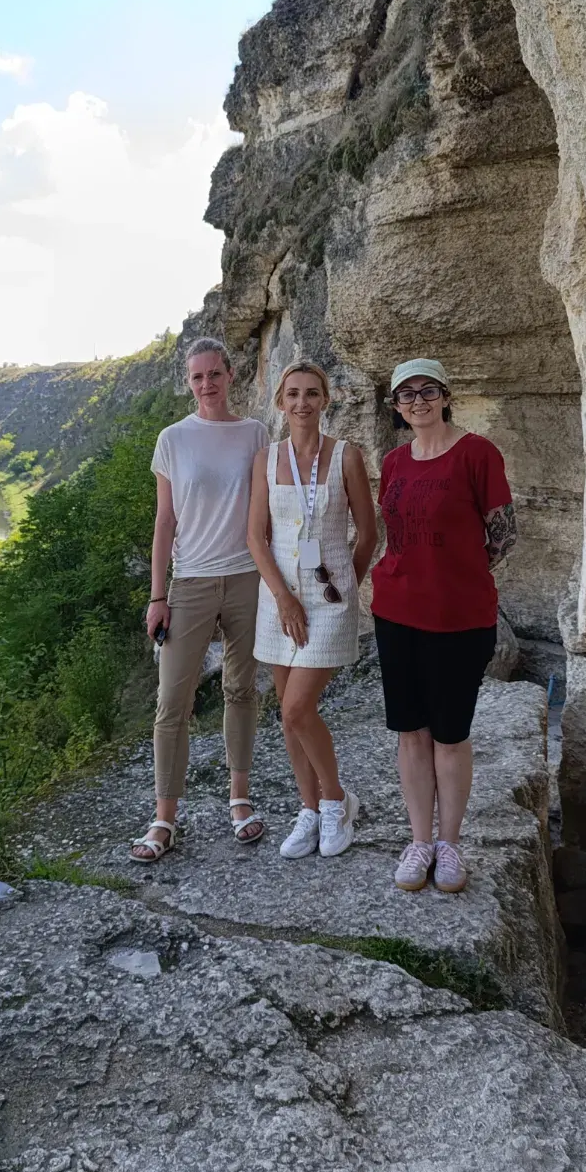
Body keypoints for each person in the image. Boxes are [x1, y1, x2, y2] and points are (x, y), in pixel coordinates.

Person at [372, 358, 516, 894]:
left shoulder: (477, 454)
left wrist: (460, 573)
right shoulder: (393, 462)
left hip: (459, 617)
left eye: (428, 390)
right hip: (396, 612)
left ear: (446, 396)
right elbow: (395, 533)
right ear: (396, 406)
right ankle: (420, 841)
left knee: (451, 734)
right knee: (411, 731)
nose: (418, 401)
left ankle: (450, 843)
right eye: (406, 394)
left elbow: (504, 534)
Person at [131, 338, 271, 863]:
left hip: (246, 578)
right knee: (172, 702)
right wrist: (157, 595)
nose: (207, 384)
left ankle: (239, 800)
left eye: (214, 373)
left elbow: (267, 509)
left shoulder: (255, 433)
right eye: (197, 377)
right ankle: (164, 818)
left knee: (241, 690)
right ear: (188, 383)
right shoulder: (172, 439)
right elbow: (164, 521)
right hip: (189, 582)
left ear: (231, 375)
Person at [247, 360, 378, 860]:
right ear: (281, 403)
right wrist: (283, 597)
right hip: (278, 602)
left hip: (328, 603)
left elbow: (368, 534)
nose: (302, 402)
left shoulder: (346, 456)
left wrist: (344, 589)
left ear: (325, 400)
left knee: (297, 708)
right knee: (289, 718)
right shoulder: (265, 460)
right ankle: (308, 809)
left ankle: (336, 801)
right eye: (293, 394)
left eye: (311, 393)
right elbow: (255, 537)